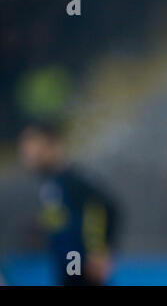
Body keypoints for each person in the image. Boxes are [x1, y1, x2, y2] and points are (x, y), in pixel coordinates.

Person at [19, 121, 118, 286]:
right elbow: (65, 220)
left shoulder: (73, 181)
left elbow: (107, 207)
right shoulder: (52, 184)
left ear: (52, 144)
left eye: (31, 143)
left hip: (83, 275)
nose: (26, 151)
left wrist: (99, 251)